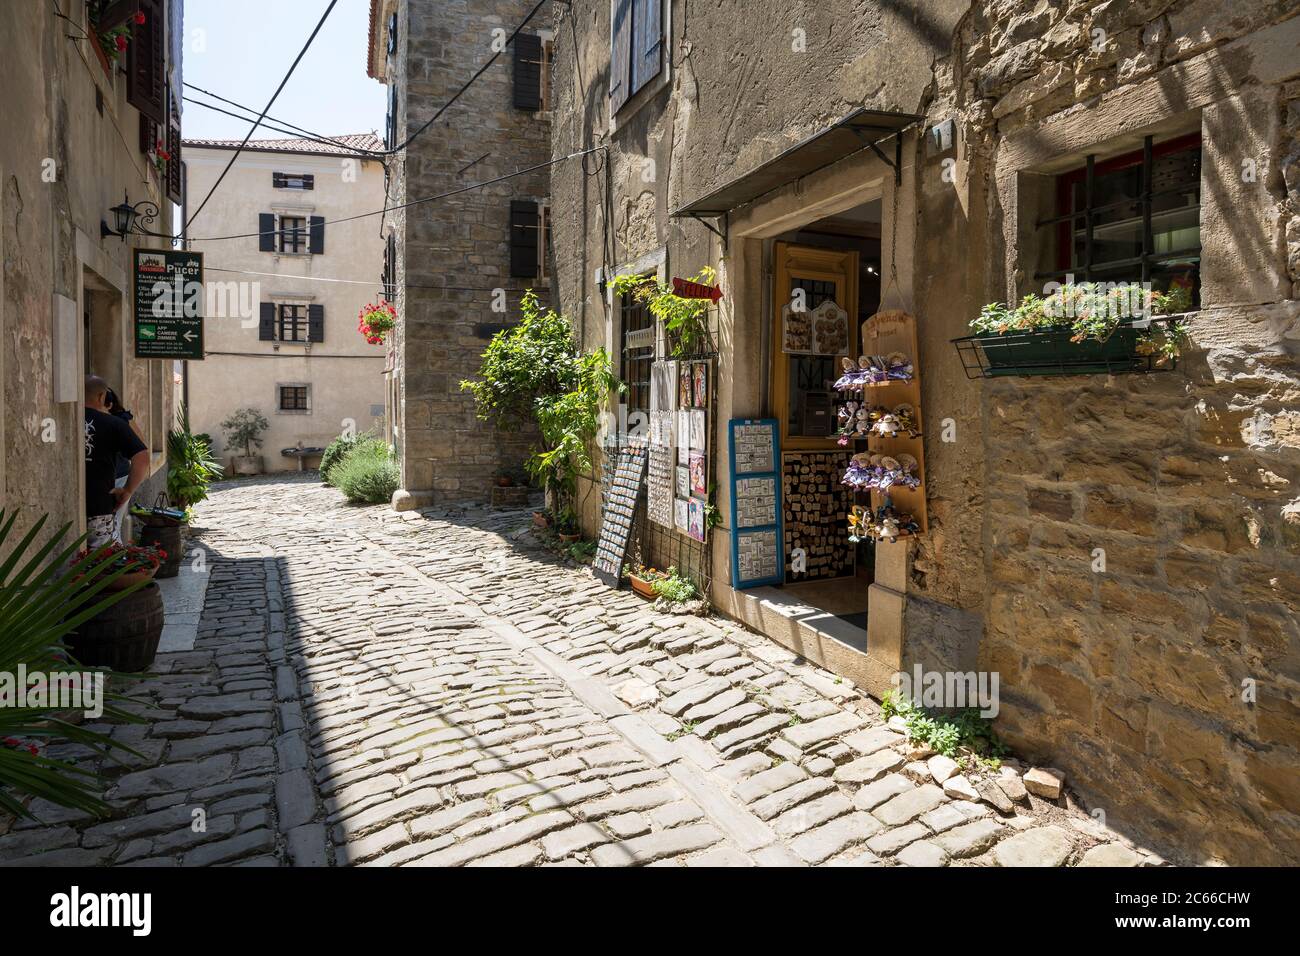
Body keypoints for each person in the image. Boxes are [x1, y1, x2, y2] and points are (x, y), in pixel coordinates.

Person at [85, 375, 148, 549]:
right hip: (100, 502)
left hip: (63, 504)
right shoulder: (115, 423)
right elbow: (142, 456)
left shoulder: (63, 420)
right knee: (100, 561)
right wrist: (128, 490)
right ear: (101, 397)